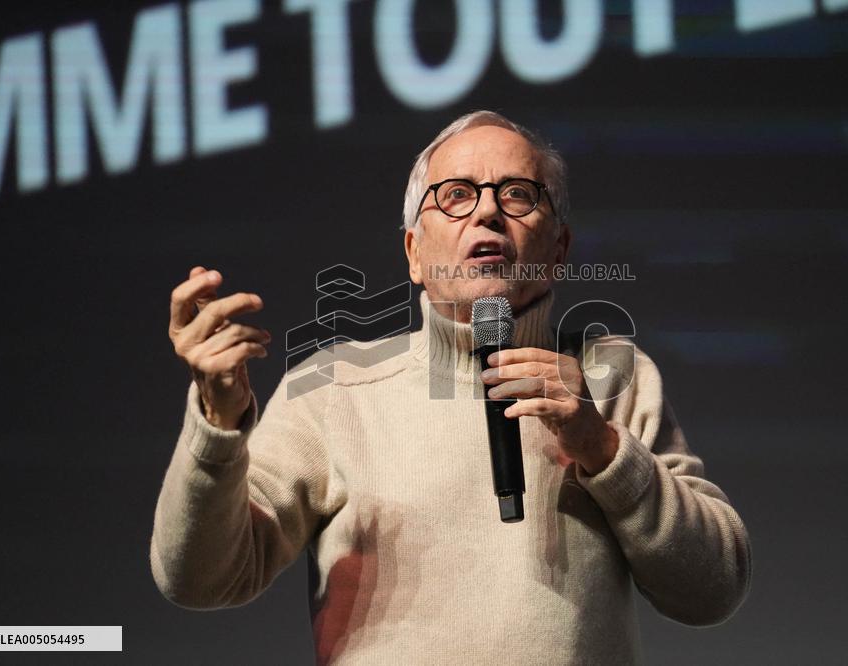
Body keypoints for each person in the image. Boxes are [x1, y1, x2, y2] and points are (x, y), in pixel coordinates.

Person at [152, 110, 752, 664]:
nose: (487, 212)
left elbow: (713, 589)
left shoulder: (612, 377)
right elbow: (200, 578)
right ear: (414, 252)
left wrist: (603, 449)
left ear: (558, 250)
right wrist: (219, 419)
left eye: (517, 194)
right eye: (456, 195)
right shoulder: (332, 388)